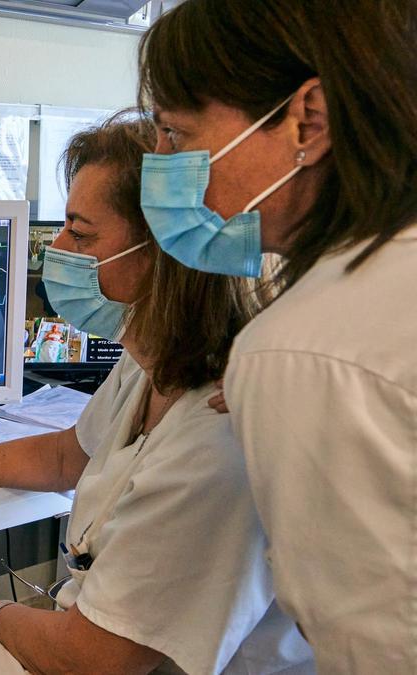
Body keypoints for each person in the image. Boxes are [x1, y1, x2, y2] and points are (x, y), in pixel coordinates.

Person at [0, 117, 312, 674]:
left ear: (165, 253)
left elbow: (95, 659)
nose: (55, 249)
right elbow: (65, 455)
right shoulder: (146, 365)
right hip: (97, 640)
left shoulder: (213, 429)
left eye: (80, 234)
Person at [136, 2, 417, 671]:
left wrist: (291, 376)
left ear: (307, 121)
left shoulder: (304, 348)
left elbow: (378, 648)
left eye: (177, 133)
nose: (165, 165)